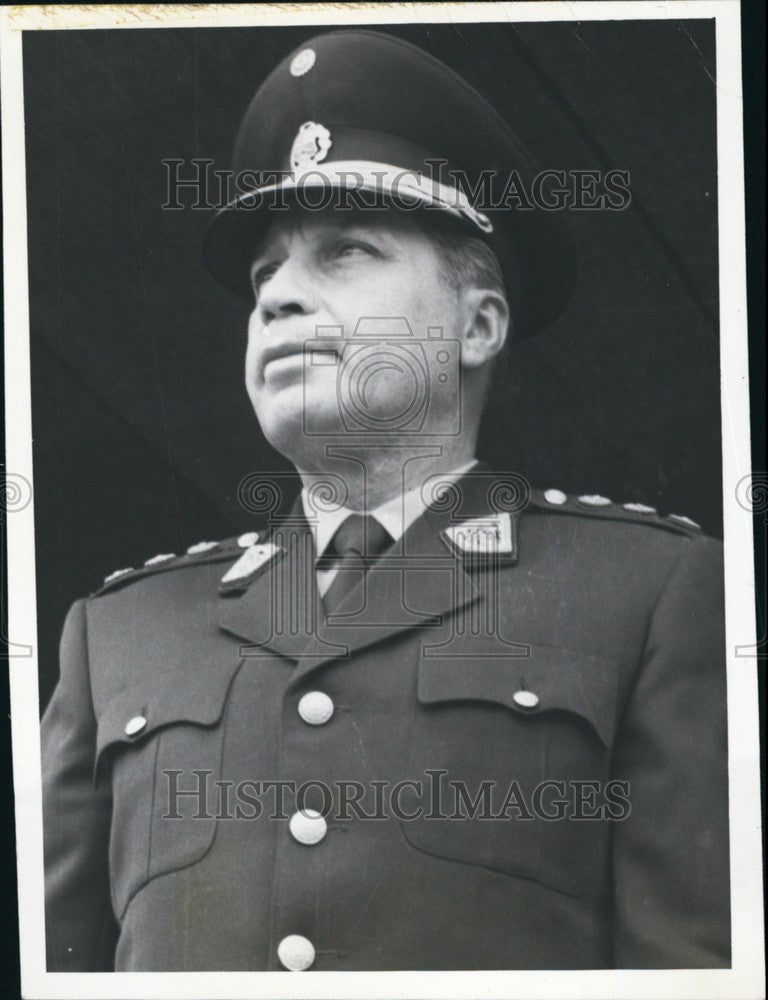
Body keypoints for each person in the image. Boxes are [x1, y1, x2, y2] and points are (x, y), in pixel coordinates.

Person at [41, 29, 729, 972]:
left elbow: (693, 970)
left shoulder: (646, 593)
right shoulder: (116, 634)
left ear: (476, 325)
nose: (279, 296)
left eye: (346, 251)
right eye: (264, 274)